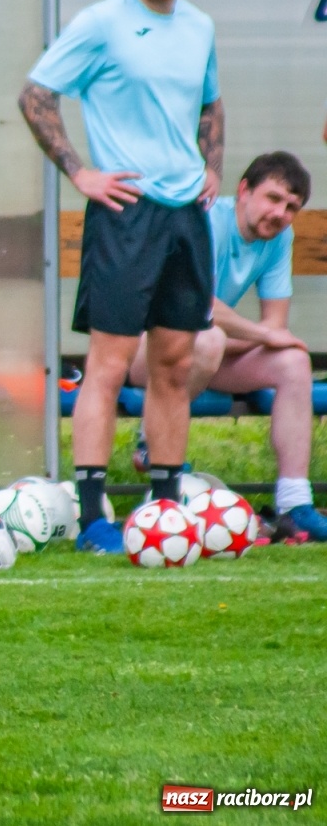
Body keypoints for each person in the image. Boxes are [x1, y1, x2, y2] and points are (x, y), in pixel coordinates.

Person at [18, 0, 224, 554]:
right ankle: (93, 517)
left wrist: (210, 168)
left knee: (175, 362)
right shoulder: (101, 24)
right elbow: (35, 95)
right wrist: (81, 172)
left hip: (185, 215)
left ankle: (165, 508)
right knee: (107, 365)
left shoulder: (200, 27)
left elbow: (211, 103)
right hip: (125, 213)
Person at [124, 152, 327, 541]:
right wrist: (259, 335)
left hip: (206, 350)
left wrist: (258, 336)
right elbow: (196, 308)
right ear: (244, 190)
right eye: (272, 198)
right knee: (206, 336)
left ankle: (294, 504)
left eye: (291, 207)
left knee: (293, 362)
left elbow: (274, 327)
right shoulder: (205, 216)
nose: (280, 213)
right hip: (148, 351)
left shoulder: (280, 237)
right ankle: (152, 444)